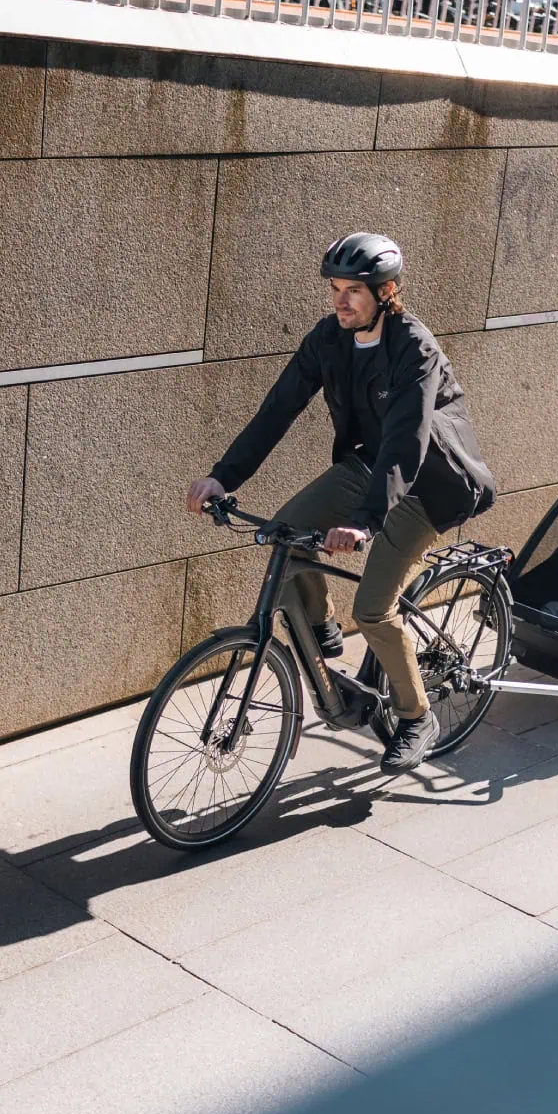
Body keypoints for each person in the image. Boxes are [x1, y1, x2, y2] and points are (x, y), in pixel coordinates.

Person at [184, 233, 497, 772]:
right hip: (367, 468)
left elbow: (407, 440)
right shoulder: (329, 339)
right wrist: (222, 477)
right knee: (283, 532)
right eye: (335, 289)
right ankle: (323, 625)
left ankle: (416, 714)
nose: (341, 301)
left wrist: (365, 523)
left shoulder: (414, 348)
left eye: (354, 290)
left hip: (429, 486)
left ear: (386, 292)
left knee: (373, 610)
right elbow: (276, 410)